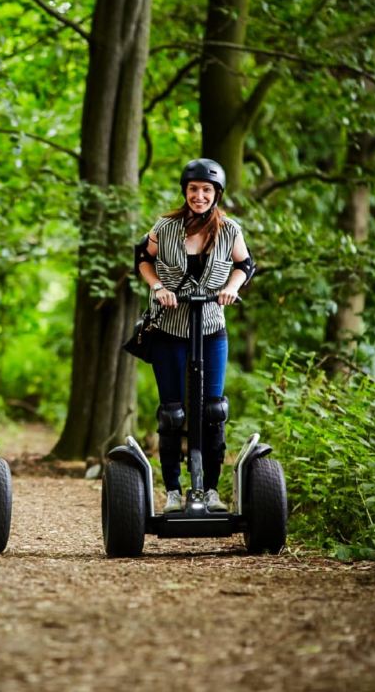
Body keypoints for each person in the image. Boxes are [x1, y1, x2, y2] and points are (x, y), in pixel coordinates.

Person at [134, 158, 255, 513]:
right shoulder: (166, 227)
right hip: (170, 329)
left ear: (216, 194)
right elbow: (142, 257)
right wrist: (157, 287)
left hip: (211, 329)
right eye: (193, 190)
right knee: (173, 412)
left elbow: (245, 265)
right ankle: (172, 490)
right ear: (185, 192)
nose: (199, 196)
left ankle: (211, 490)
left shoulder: (230, 230)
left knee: (213, 411)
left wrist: (233, 287)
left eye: (206, 190)